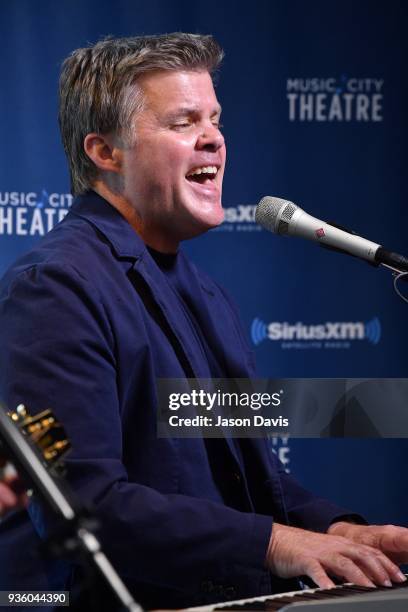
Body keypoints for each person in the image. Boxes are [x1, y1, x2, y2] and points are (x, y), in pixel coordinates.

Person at [0, 33, 407, 610]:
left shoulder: (207, 294)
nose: (214, 138)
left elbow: (238, 473)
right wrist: (274, 543)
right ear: (104, 152)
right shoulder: (55, 287)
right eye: (183, 122)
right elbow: (84, 502)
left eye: (214, 119)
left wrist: (337, 530)